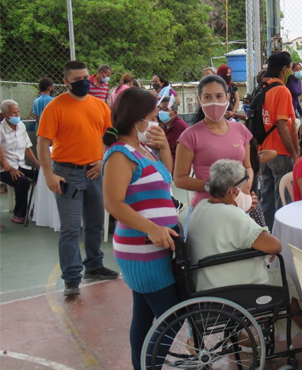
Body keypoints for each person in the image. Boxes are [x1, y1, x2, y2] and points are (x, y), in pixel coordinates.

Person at [187, 159, 302, 338]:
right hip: (228, 288)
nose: (250, 194)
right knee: (285, 282)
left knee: (278, 276)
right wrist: (243, 213)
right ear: (233, 191)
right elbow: (274, 245)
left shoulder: (202, 206)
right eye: (246, 190)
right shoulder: (231, 215)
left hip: (207, 283)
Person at [101, 88, 179, 370]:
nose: (156, 122)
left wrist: (165, 147)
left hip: (152, 248)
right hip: (142, 250)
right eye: (152, 117)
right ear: (136, 120)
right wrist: (151, 229)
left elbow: (166, 177)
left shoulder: (141, 148)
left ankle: (141, 365)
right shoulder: (120, 153)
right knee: (173, 317)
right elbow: (113, 202)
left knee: (144, 316)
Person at [37, 61, 120, 297]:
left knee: (95, 224)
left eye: (86, 77)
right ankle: (71, 278)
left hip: (94, 172)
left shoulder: (99, 105)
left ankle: (94, 265)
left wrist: (102, 158)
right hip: (67, 175)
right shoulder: (55, 107)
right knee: (71, 228)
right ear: (65, 82)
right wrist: (49, 174)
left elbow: (111, 132)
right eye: (77, 80)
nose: (84, 82)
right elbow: (43, 143)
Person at [174, 75, 253, 233]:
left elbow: (248, 166)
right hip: (206, 210)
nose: (214, 102)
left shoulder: (241, 130)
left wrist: (244, 190)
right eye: (207, 97)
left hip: (239, 209)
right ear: (199, 100)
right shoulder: (190, 136)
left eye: (219, 96)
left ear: (228, 97)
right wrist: (214, 187)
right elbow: (179, 179)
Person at [258, 52, 300, 228]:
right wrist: (294, 153)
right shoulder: (282, 90)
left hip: (263, 153)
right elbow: (282, 125)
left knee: (266, 200)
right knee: (282, 200)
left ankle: (266, 232)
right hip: (280, 153)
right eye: (290, 67)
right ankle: (281, 237)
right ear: (285, 68)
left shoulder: (262, 88)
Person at [0, 100, 40, 223]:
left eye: (18, 112)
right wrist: (10, 168)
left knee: (42, 175)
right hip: (4, 168)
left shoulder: (21, 126)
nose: (18, 115)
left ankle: (36, 209)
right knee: (22, 182)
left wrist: (38, 164)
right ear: (5, 115)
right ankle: (19, 214)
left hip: (21, 165)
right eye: (14, 113)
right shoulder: (0, 130)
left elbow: (27, 148)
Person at [158, 96, 188, 162]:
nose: (161, 112)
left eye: (165, 109)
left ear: (175, 113)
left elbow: (166, 145)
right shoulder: (166, 124)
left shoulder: (178, 125)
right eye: (160, 109)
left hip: (177, 161)